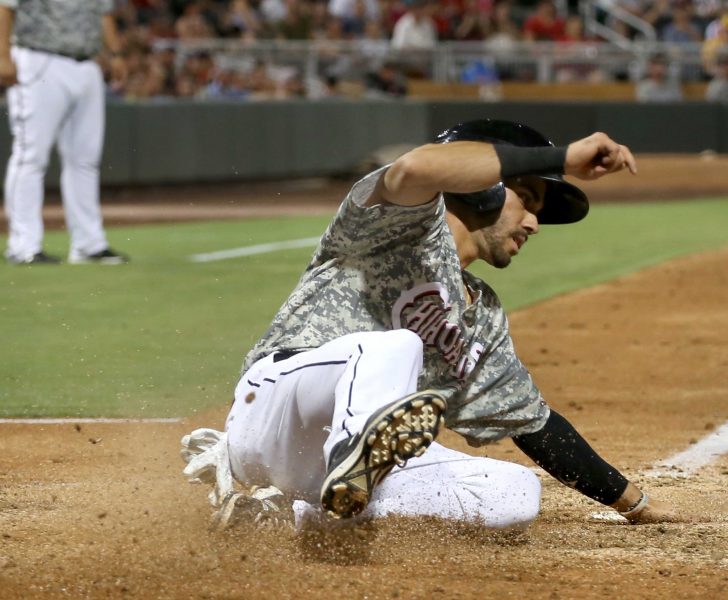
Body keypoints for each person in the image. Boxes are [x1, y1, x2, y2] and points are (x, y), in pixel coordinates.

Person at [181, 119, 691, 532]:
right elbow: (418, 166)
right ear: (487, 190)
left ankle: (292, 515)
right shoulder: (401, 221)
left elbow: (535, 426)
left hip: (332, 466)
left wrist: (635, 504)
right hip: (276, 412)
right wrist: (560, 159)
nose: (534, 223)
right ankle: (338, 466)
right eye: (528, 200)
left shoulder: (480, 315)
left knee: (514, 495)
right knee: (395, 347)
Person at [0, 0, 129, 265]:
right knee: (30, 155)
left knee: (85, 159)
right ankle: (23, 245)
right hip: (39, 59)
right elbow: (5, 6)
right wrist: (2, 55)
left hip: (87, 64)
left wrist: (115, 53)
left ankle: (88, 244)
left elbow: (104, 11)